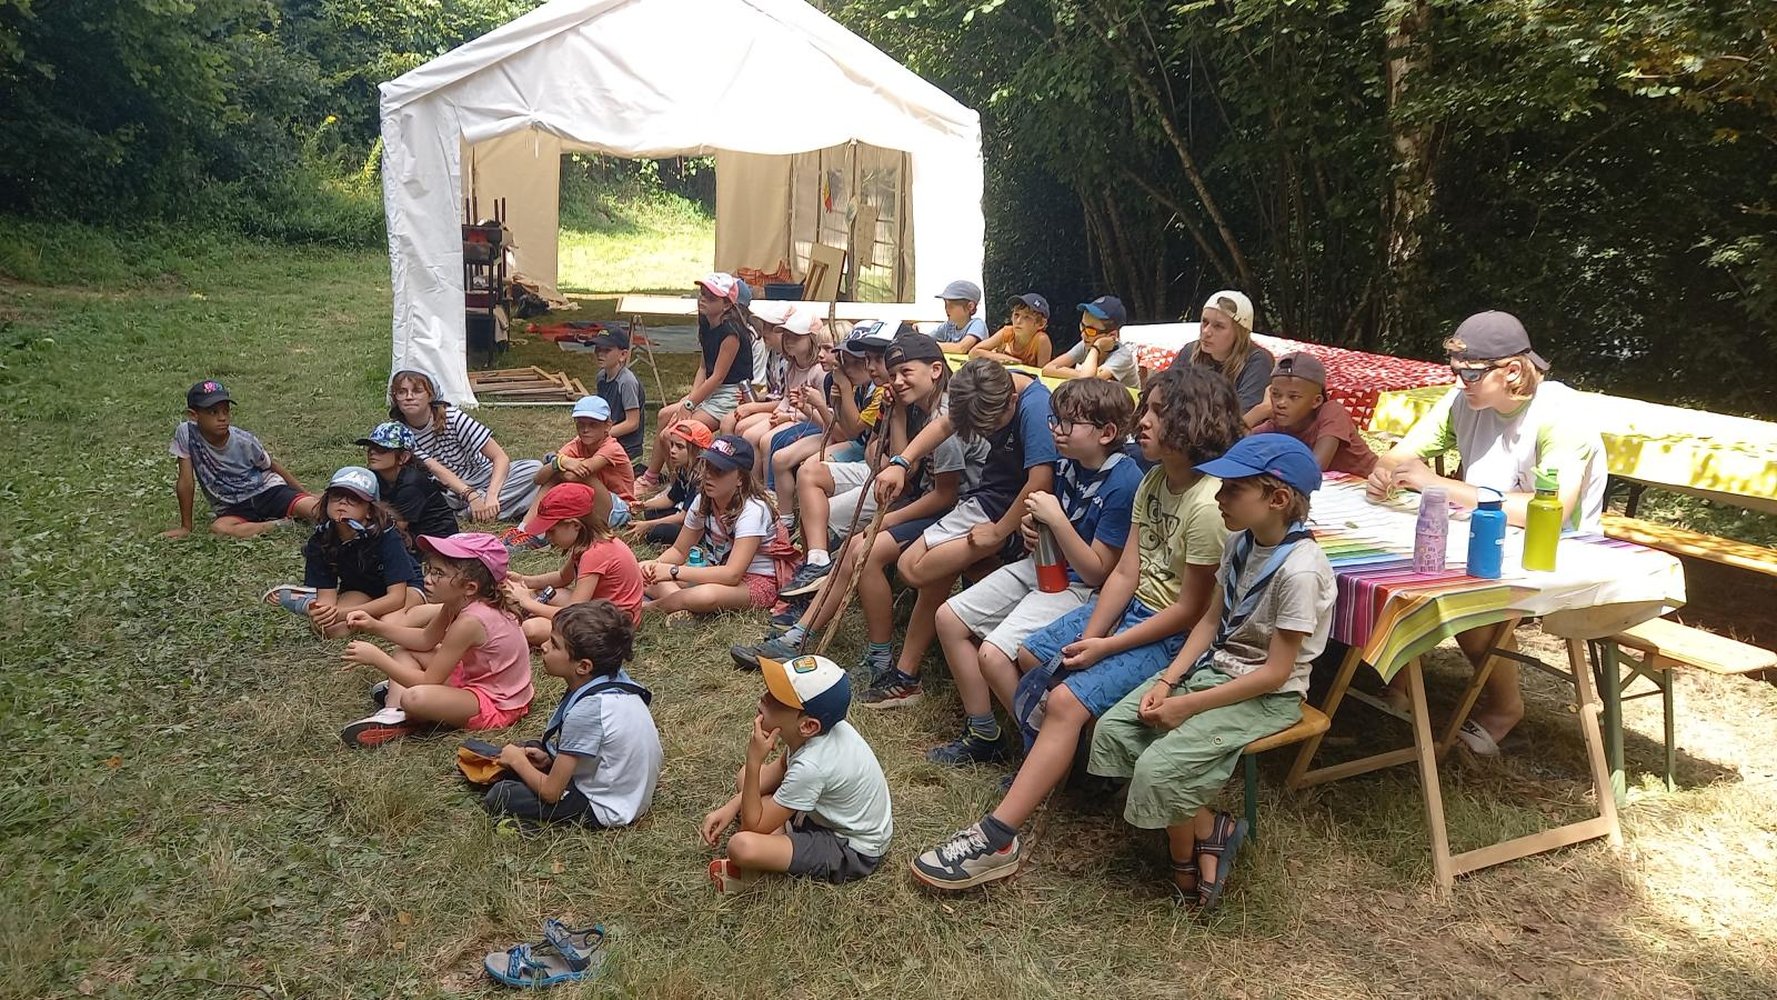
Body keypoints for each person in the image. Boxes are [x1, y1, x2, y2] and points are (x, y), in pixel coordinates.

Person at [907, 365, 1244, 891]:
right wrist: (1093, 633)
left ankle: (999, 835)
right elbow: (1126, 574)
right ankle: (1069, 768)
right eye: (1146, 408)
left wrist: (1105, 644)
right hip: (1130, 609)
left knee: (1063, 701)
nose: (1142, 421)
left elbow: (1190, 612)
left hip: (1171, 632)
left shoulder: (1206, 505)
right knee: (1029, 655)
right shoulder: (1156, 481)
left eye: (1158, 412)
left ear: (1192, 422)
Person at [1089, 434, 1336, 909]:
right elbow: (1208, 622)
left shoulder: (1300, 572)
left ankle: (1183, 862)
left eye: (1233, 489)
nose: (1219, 496)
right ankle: (1210, 827)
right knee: (1117, 728)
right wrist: (1168, 681)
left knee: (1160, 766)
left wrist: (1187, 706)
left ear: (1277, 499)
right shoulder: (1240, 542)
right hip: (1216, 668)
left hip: (1269, 693)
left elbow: (1275, 673)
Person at [1366, 310, 1606, 752]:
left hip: (1556, 549)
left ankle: (1505, 708)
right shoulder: (1464, 400)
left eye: (1471, 373)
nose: (1460, 383)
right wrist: (1387, 473)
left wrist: (1436, 484)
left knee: (1463, 590)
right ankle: (1398, 686)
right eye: (1455, 371)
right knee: (1395, 565)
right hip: (1483, 531)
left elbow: (1550, 512)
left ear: (1512, 371)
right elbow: (1398, 456)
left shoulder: (1561, 415)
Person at [730, 333, 968, 680]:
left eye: (905, 372)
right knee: (849, 548)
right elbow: (907, 464)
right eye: (894, 374)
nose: (897, 381)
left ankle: (878, 659)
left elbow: (945, 496)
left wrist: (887, 521)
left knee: (863, 552)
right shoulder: (918, 406)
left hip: (950, 512)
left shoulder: (944, 421)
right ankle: (798, 635)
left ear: (935, 370)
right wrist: (898, 415)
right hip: (919, 500)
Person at [929, 378, 1142, 764]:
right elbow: (1049, 521)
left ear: (1107, 433)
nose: (1057, 430)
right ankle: (985, 733)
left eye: (1068, 423)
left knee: (993, 655)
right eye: (1054, 421)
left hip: (1080, 588)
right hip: (1042, 566)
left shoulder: (1124, 482)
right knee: (948, 618)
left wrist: (1056, 521)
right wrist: (1033, 526)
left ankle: (1047, 753)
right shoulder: (1068, 464)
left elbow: (1097, 573)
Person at [867, 356, 1060, 708]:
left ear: (1011, 402)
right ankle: (907, 675)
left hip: (1010, 514)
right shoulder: (987, 385)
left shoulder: (1034, 408)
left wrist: (998, 534)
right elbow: (944, 425)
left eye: (990, 428)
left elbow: (1040, 481)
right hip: (989, 500)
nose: (985, 435)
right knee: (926, 569)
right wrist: (901, 462)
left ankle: (909, 675)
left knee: (915, 568)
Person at [701, 653, 892, 891]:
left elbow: (753, 825)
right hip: (823, 815)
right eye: (770, 688)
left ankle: (763, 863)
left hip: (851, 847)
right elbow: (780, 770)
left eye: (778, 698)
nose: (765, 696)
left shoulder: (812, 766)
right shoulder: (814, 736)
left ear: (808, 725)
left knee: (742, 846)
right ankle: (777, 840)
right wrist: (731, 807)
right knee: (745, 779)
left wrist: (754, 759)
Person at [338, 533, 533, 748]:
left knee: (414, 697)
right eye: (429, 569)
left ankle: (407, 708)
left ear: (470, 587)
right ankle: (392, 714)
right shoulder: (457, 603)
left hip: (498, 703)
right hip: (474, 677)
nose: (428, 579)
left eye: (438, 573)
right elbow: (424, 640)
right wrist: (375, 626)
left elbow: (428, 680)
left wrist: (377, 658)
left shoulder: (470, 622)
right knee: (405, 651)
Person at [483, 600, 662, 829]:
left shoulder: (587, 712)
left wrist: (517, 762)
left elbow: (551, 793)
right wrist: (550, 759)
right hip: (627, 790)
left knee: (503, 794)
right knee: (532, 749)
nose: (544, 646)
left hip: (607, 806)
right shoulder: (614, 685)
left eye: (554, 644)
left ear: (583, 666)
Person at [776, 323, 897, 595]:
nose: (865, 367)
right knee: (807, 472)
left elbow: (850, 432)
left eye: (861, 361)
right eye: (862, 360)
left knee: (814, 501)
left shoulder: (880, 392)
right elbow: (854, 435)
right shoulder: (865, 388)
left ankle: (815, 576)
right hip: (867, 460)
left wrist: (829, 399)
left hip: (880, 473)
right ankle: (815, 561)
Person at [265, 466, 425, 637]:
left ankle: (310, 602)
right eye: (336, 496)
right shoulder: (320, 541)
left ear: (369, 511)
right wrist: (324, 614)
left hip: (405, 588)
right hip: (360, 589)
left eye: (354, 498)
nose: (343, 502)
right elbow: (327, 606)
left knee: (388, 623)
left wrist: (342, 613)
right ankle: (309, 602)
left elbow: (396, 598)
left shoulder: (386, 535)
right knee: (329, 630)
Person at [638, 435, 786, 615]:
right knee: (640, 570)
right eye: (707, 466)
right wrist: (655, 566)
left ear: (740, 478)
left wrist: (673, 571)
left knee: (705, 596)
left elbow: (732, 574)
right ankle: (682, 605)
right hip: (715, 571)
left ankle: (649, 608)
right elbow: (679, 550)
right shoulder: (703, 500)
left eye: (719, 470)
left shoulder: (753, 510)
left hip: (756, 581)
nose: (708, 475)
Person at [638, 273, 754, 491]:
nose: (703, 299)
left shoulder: (731, 333)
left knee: (672, 434)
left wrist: (691, 404)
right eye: (702, 294)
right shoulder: (707, 324)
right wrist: (691, 399)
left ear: (726, 305)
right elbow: (703, 368)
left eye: (711, 297)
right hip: (711, 390)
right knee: (664, 415)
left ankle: (680, 487)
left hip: (730, 395)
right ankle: (653, 477)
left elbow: (718, 376)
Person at [163, 379, 319, 538]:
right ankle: (280, 524)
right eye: (213, 412)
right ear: (193, 415)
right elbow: (186, 481)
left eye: (226, 411)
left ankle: (309, 510)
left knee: (316, 511)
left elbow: (272, 466)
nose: (222, 418)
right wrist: (186, 527)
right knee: (219, 529)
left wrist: (306, 494)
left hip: (268, 492)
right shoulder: (186, 434)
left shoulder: (244, 441)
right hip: (233, 506)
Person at [387, 368, 542, 522]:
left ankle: (478, 511)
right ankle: (486, 510)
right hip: (450, 491)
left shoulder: (453, 417)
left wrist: (492, 495)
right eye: (402, 392)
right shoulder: (399, 433)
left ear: (430, 395)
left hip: (482, 474)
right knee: (424, 495)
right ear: (395, 398)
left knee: (534, 469)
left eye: (417, 391)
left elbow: (499, 457)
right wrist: (471, 495)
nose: (409, 397)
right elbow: (437, 470)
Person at [506, 483, 644, 639]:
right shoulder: (587, 542)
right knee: (544, 592)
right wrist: (524, 580)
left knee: (531, 628)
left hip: (612, 629)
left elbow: (574, 612)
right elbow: (562, 577)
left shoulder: (595, 554)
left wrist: (528, 603)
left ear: (575, 525)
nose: (547, 536)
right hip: (598, 611)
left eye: (551, 531)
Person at [503, 395, 634, 549]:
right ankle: (524, 530)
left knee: (566, 475)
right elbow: (538, 479)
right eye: (581, 424)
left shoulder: (611, 447)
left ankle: (539, 534)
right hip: (592, 504)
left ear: (608, 426)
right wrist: (559, 462)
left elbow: (575, 475)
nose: (585, 430)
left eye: (593, 425)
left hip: (620, 510)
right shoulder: (577, 444)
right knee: (555, 473)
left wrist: (558, 464)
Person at [1249, 353, 1378, 477]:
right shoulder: (1278, 424)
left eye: (1293, 397)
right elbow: (1237, 443)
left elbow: (1315, 466)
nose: (1281, 403)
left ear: (1316, 401)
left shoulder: (1332, 412)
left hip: (1367, 483)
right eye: (1276, 395)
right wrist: (1260, 410)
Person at [1172, 290, 1273, 423]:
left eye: (1218, 326)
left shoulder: (1257, 361)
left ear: (1239, 332)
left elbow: (1239, 421)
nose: (1206, 331)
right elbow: (1164, 396)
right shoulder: (1189, 352)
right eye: (1204, 322)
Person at [356, 421, 459, 550]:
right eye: (370, 447)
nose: (372, 452)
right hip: (413, 535)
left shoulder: (412, 484)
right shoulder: (374, 476)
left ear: (404, 457)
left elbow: (395, 528)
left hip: (436, 542)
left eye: (382, 449)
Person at [630, 421, 708, 545]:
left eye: (679, 447)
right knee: (651, 512)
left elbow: (683, 517)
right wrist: (644, 505)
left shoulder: (700, 479)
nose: (672, 450)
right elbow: (671, 499)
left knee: (658, 532)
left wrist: (647, 525)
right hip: (683, 514)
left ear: (697, 450)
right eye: (672, 445)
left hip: (698, 527)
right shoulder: (683, 468)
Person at [1042, 295, 1141, 389]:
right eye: (1082, 326)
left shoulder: (1122, 356)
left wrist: (1096, 348)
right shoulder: (1086, 343)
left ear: (1112, 335)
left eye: (1091, 330)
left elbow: (1089, 382)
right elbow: (1048, 368)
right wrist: (1081, 374)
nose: (1083, 335)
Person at [591, 327, 647, 465]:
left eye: (607, 350)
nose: (600, 354)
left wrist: (601, 434)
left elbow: (632, 423)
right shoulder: (601, 377)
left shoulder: (627, 382)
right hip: (606, 442)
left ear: (623, 355)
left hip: (626, 450)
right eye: (597, 348)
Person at [969, 293, 1054, 368]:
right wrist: (1010, 360)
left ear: (1041, 324)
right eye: (1016, 314)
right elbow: (973, 352)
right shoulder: (1007, 332)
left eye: (1027, 317)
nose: (1018, 321)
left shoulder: (1041, 340)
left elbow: (1042, 373)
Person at [932, 279, 989, 352]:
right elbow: (926, 338)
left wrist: (931, 345)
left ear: (970, 306)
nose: (946, 309)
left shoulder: (977, 324)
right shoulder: (948, 326)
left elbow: (961, 348)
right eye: (945, 304)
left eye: (951, 306)